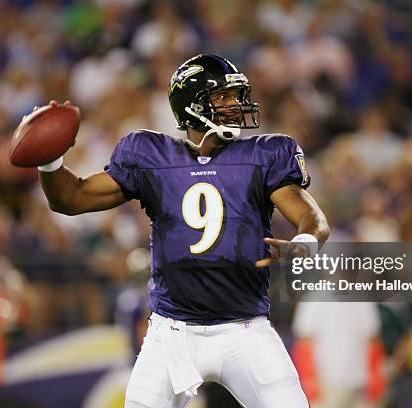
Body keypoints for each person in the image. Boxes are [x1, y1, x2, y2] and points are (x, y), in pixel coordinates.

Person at [35, 54, 329, 408]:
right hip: (172, 333)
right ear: (192, 104)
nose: (235, 105)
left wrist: (305, 242)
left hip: (246, 330)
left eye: (236, 96)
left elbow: (311, 216)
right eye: (223, 97)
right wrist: (49, 161)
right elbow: (71, 198)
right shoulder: (150, 155)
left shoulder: (263, 154)